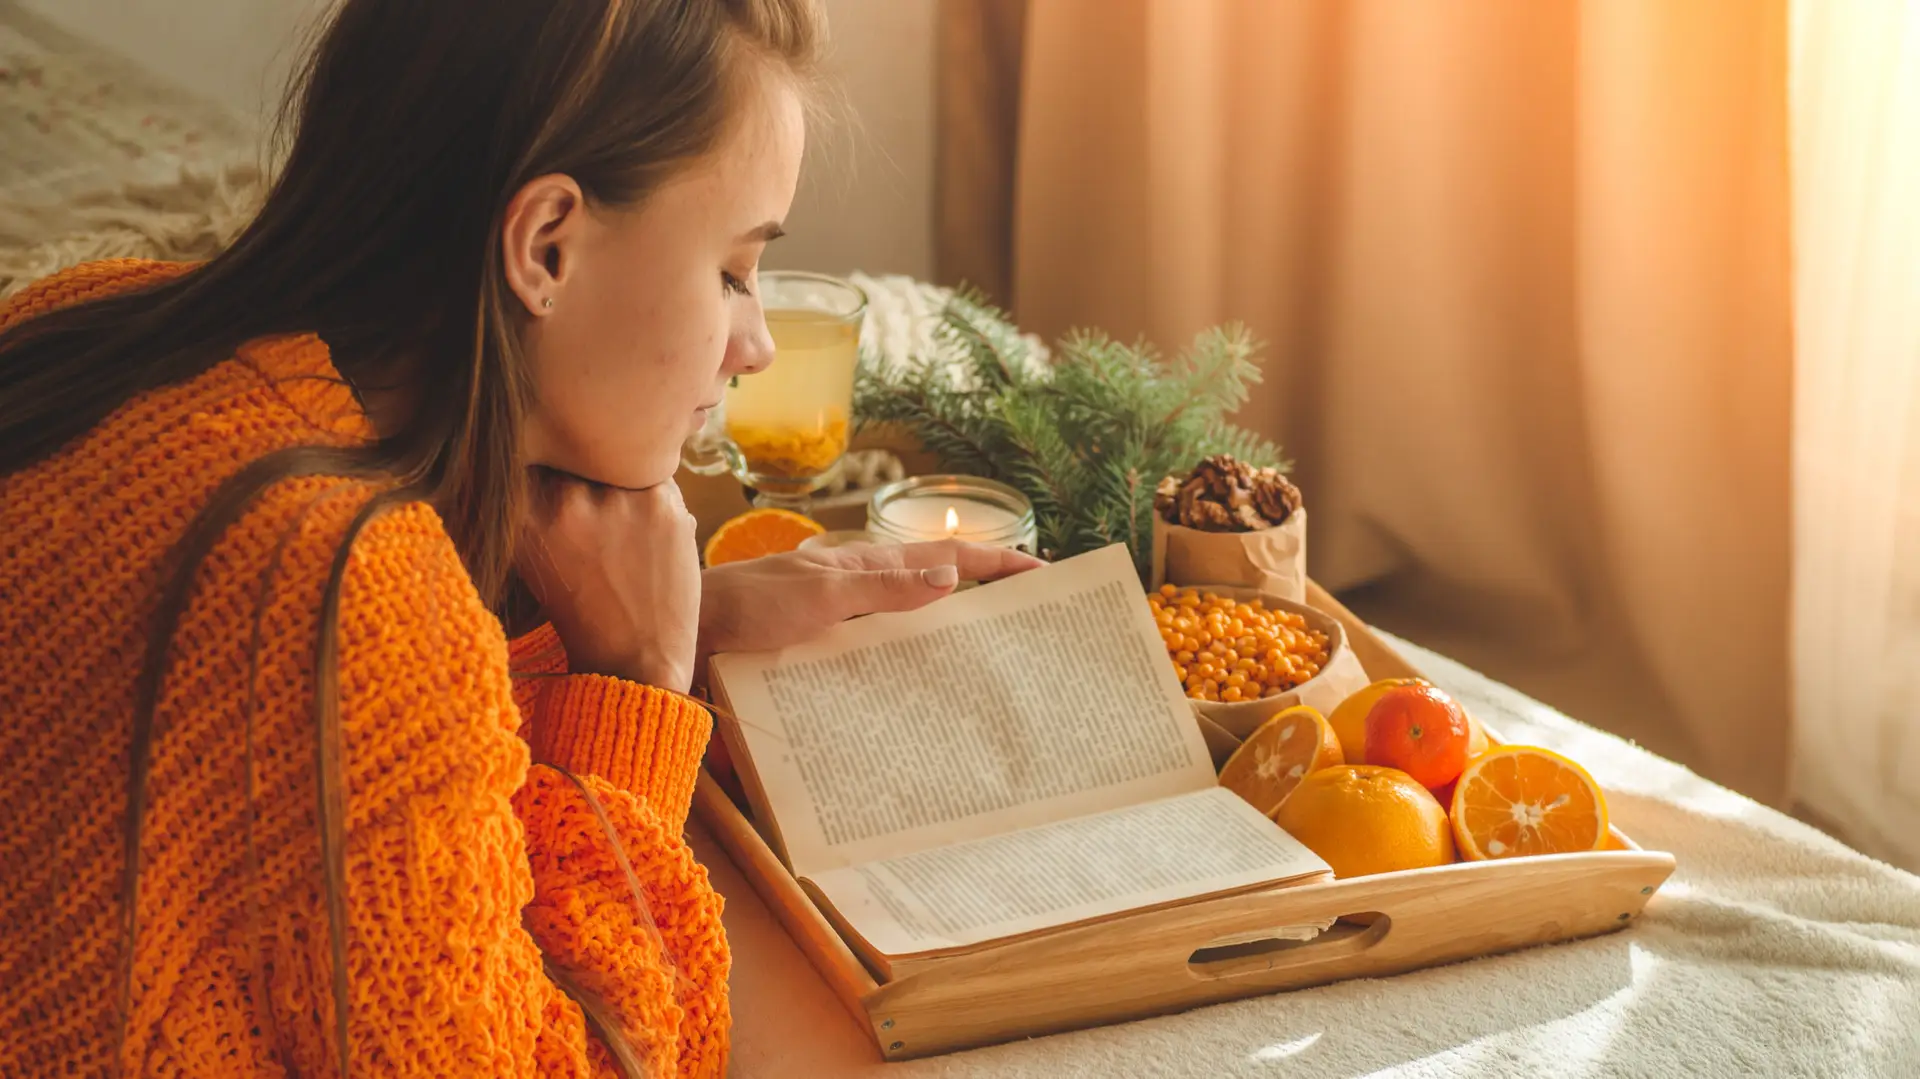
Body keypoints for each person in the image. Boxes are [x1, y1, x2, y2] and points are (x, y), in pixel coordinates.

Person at [0, 1, 1039, 1076]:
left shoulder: (83, 321)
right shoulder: (354, 593)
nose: (757, 345)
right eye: (732, 271)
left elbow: (342, 817)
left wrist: (675, 624)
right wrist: (632, 687)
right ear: (545, 245)